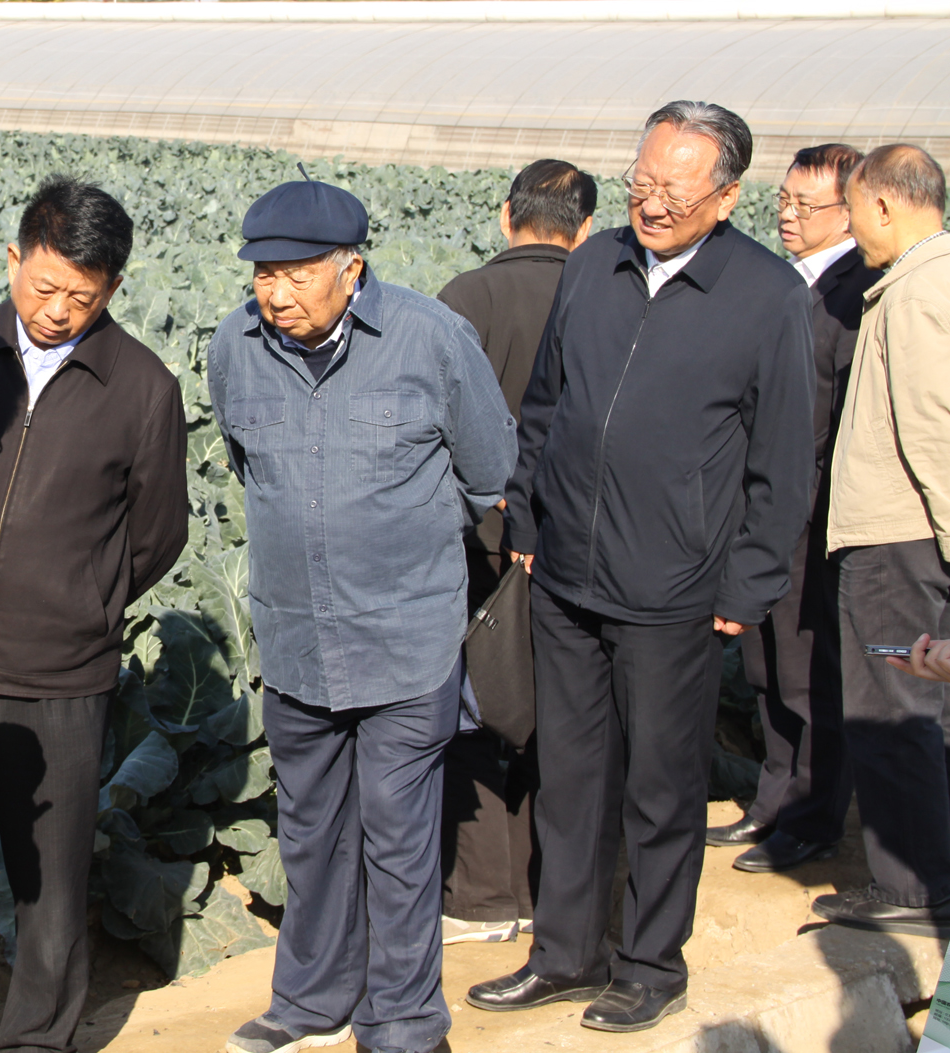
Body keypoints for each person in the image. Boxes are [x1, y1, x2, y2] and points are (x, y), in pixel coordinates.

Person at [470, 101, 814, 1034]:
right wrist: (527, 508)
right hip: (566, 575)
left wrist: (748, 581)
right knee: (570, 776)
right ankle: (565, 953)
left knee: (661, 788)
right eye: (641, 183)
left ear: (727, 196)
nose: (653, 203)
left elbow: (783, 461)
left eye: (676, 189)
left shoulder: (767, 296)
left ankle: (651, 963)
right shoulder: (594, 265)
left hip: (674, 588)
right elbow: (546, 402)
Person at [210, 178, 517, 1053]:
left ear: (351, 267)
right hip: (296, 639)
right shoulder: (235, 345)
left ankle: (404, 1021)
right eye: (263, 273)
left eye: (297, 273)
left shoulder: (432, 337)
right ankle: (311, 1000)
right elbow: (245, 465)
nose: (276, 293)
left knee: (399, 837)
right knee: (309, 833)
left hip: (406, 643)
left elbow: (489, 469)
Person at [0, 175, 187, 1053]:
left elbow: (159, 531)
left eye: (84, 296)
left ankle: (38, 1040)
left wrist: (87, 600)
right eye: (45, 286)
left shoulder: (142, 386)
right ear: (13, 259)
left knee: (52, 887)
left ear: (114, 288)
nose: (59, 309)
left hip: (65, 678)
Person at [436, 158, 596, 946]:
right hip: (575, 548)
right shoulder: (603, 297)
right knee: (554, 708)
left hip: (481, 544)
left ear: (507, 215)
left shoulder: (466, 297)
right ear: (586, 228)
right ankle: (542, 885)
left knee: (475, 707)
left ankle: (480, 895)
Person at [707, 144, 878, 874]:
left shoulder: (854, 294)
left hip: (815, 512)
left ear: (850, 211)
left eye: (808, 205)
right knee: (766, 663)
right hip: (764, 508)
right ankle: (774, 798)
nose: (789, 215)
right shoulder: (784, 284)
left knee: (810, 672)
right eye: (784, 200)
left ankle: (812, 816)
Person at [816, 143, 950, 937]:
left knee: (892, 710)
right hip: (914, 533)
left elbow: (934, 428)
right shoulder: (929, 280)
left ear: (886, 205)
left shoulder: (917, 292)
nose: (852, 227)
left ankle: (913, 888)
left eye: (854, 208)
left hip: (899, 536)